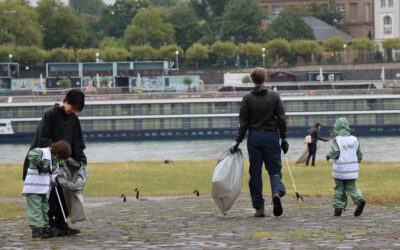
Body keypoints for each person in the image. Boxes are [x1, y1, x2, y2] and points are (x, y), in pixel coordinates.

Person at [23, 89, 87, 236]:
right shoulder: (51, 114)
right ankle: (49, 226)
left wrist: (81, 159)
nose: (74, 111)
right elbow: (43, 138)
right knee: (50, 197)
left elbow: (77, 142)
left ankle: (62, 225)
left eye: (77, 109)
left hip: (62, 162)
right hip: (46, 161)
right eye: (73, 107)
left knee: (64, 195)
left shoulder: (74, 119)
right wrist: (58, 154)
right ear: (67, 101)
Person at [231, 67, 289, 218]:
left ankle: (259, 208)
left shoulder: (247, 98)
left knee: (255, 173)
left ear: (252, 80)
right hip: (271, 136)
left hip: (255, 137)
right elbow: (281, 119)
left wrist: (237, 141)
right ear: (265, 79)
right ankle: (276, 191)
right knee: (274, 169)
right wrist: (283, 138)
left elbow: (243, 122)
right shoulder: (275, 96)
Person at [22, 140, 72, 239]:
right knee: (36, 209)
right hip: (33, 188)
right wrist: (41, 163)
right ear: (57, 153)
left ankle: (45, 227)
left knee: (45, 209)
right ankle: (37, 230)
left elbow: (53, 173)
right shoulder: (43, 152)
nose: (59, 159)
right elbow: (31, 155)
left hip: (45, 190)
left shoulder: (55, 162)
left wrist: (53, 180)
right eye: (60, 157)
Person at [326, 117, 365, 217]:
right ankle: (359, 199)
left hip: (340, 171)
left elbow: (335, 152)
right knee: (352, 188)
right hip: (352, 171)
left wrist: (328, 156)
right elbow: (359, 154)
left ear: (337, 128)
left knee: (339, 188)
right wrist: (358, 160)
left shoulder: (337, 140)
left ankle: (338, 208)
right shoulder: (354, 139)